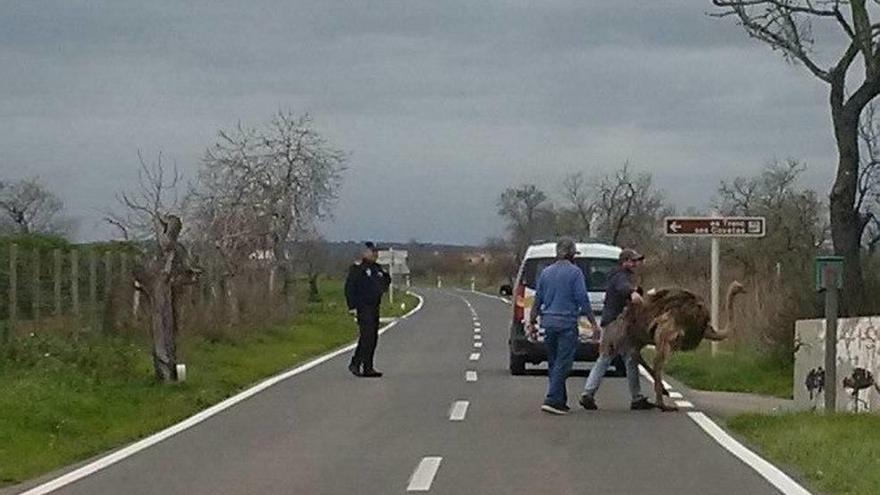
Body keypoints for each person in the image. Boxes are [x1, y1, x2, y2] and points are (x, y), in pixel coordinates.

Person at [528, 238, 598, 415]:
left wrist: (532, 322)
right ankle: (552, 399)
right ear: (572, 253)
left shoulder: (545, 273)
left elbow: (538, 300)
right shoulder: (575, 273)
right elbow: (582, 298)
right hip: (566, 323)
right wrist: (593, 323)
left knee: (554, 362)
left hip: (549, 322)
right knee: (564, 363)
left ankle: (560, 400)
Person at [579, 248, 652, 410]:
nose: (635, 264)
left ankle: (635, 397)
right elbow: (623, 287)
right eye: (632, 261)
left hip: (618, 325)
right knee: (609, 359)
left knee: (626, 359)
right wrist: (632, 293)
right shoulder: (620, 276)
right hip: (615, 325)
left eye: (636, 261)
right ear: (624, 262)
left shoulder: (622, 275)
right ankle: (589, 393)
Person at [345, 242, 390, 378]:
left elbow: (386, 280)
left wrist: (383, 285)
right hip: (362, 306)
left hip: (374, 306)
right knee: (367, 336)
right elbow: (349, 288)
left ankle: (368, 367)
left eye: (376, 253)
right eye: (372, 252)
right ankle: (355, 363)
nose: (375, 255)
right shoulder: (358, 268)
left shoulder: (377, 269)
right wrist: (352, 306)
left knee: (373, 338)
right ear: (365, 253)